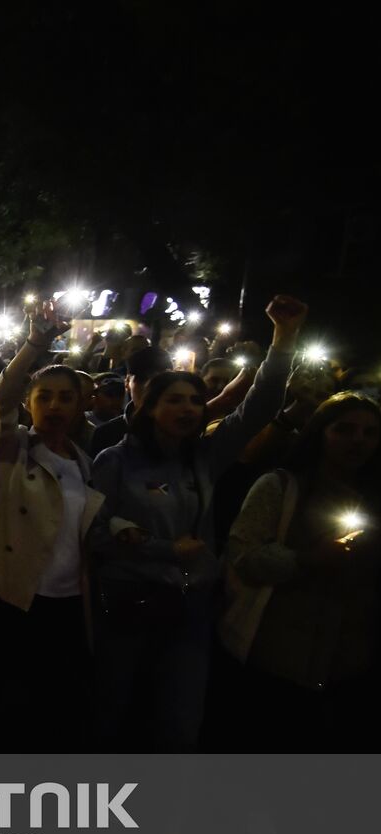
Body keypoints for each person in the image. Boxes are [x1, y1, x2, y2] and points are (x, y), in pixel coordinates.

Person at [91, 293, 305, 756]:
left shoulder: (206, 457)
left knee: (179, 721)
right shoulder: (115, 461)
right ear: (149, 406)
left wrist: (283, 339)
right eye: (174, 400)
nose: (188, 408)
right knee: (114, 711)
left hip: (189, 607)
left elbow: (261, 406)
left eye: (195, 399)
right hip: (128, 603)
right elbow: (95, 532)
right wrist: (164, 549)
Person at [219, 392, 380, 834]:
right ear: (321, 433)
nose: (356, 441)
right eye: (344, 430)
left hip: (348, 655)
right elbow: (243, 553)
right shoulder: (281, 487)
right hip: (281, 647)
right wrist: (309, 560)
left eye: (367, 432)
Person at [0, 304, 106, 750]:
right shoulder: (12, 447)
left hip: (65, 605)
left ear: (82, 405)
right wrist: (34, 344)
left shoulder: (84, 463)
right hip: (10, 600)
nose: (56, 406)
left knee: (49, 712)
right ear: (29, 403)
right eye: (45, 397)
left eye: (66, 397)